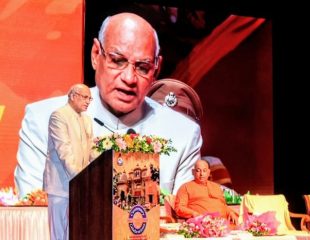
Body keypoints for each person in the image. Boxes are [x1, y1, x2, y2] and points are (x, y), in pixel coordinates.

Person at [14, 13, 202, 198]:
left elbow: (185, 217)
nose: (129, 78)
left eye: (143, 67)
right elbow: (33, 213)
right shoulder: (43, 120)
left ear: (156, 68)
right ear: (96, 55)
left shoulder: (182, 134)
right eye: (118, 60)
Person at [43, 83, 95, 240]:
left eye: (90, 98)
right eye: (85, 97)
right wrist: (80, 179)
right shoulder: (59, 116)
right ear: (73, 96)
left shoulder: (87, 120)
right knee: (59, 234)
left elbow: (90, 151)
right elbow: (64, 151)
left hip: (80, 187)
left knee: (77, 232)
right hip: (60, 185)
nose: (88, 101)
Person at [174, 159, 238, 224]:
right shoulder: (185, 187)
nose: (201, 174)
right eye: (198, 171)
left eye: (204, 171)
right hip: (202, 224)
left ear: (208, 172)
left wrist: (231, 212)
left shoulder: (216, 187)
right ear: (193, 172)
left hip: (223, 223)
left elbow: (223, 206)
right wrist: (194, 213)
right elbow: (179, 208)